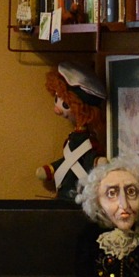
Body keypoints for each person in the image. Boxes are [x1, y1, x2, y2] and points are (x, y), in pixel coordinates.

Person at [38, 61, 105, 202]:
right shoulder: (72, 138)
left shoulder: (88, 141)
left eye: (65, 104)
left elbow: (87, 160)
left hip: (79, 196)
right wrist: (51, 169)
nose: (57, 109)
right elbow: (67, 161)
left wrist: (96, 161)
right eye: (56, 99)